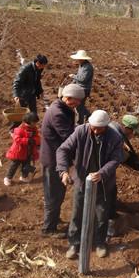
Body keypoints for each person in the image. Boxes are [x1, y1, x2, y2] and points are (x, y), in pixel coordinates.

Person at [56, 110, 124, 259]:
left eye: (98, 128)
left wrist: (102, 173)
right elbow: (63, 149)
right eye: (92, 126)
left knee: (101, 213)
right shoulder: (81, 131)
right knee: (77, 213)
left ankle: (100, 243)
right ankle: (74, 243)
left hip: (103, 182)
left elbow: (116, 158)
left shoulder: (114, 137)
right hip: (82, 179)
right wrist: (63, 171)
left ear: (106, 126)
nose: (94, 130)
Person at [40, 84, 83, 237]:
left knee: (58, 191)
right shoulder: (57, 113)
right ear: (67, 97)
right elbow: (68, 137)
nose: (77, 104)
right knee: (53, 193)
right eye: (76, 101)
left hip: (56, 157)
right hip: (53, 159)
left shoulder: (62, 107)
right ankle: (48, 229)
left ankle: (54, 219)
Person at [107, 114, 139, 238]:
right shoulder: (115, 135)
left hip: (105, 168)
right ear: (127, 128)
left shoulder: (114, 127)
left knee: (112, 191)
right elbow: (118, 157)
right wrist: (127, 157)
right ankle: (106, 226)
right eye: (133, 132)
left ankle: (111, 212)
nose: (133, 135)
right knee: (105, 195)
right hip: (102, 169)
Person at [4, 112, 40, 186]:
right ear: (29, 122)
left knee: (26, 165)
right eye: (34, 122)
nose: (36, 124)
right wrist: (28, 140)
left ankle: (24, 177)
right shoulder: (20, 129)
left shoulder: (34, 129)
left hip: (28, 151)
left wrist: (35, 140)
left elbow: (37, 137)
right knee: (14, 166)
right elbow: (17, 139)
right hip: (18, 152)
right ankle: (8, 178)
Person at [69, 50, 94, 124]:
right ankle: (88, 115)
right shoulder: (81, 65)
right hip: (79, 88)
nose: (77, 60)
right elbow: (78, 76)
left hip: (84, 89)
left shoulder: (87, 67)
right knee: (79, 105)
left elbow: (83, 79)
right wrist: (72, 82)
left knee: (79, 106)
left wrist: (73, 76)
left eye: (79, 59)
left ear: (82, 59)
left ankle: (80, 122)